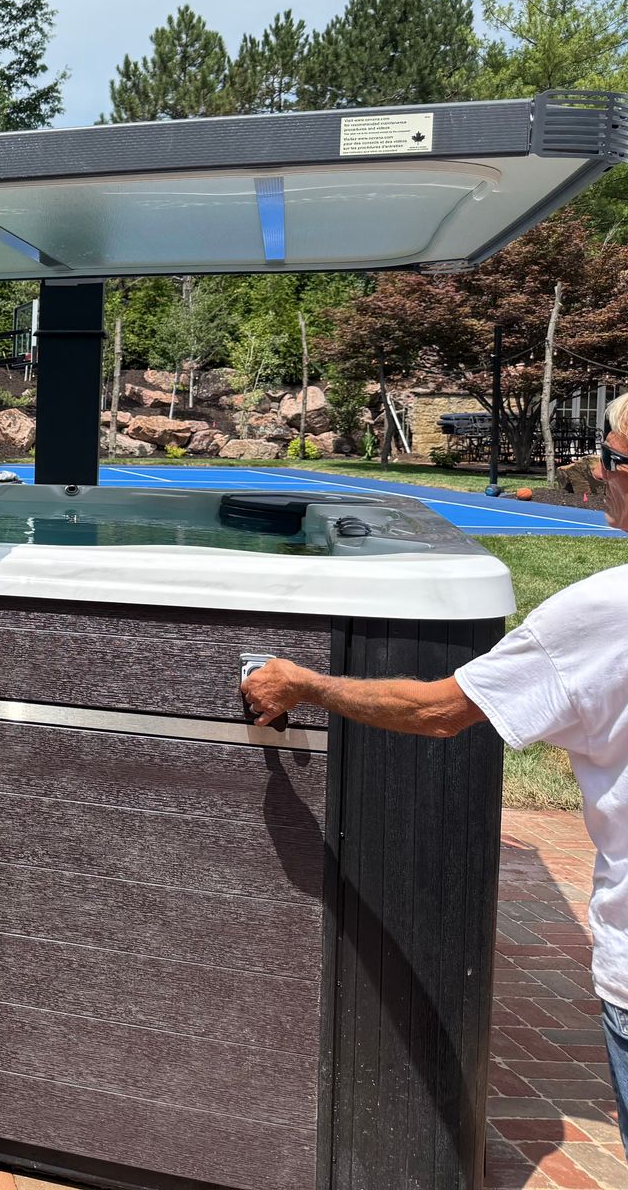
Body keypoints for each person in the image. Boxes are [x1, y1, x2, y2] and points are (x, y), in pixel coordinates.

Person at [244, 389, 628, 1147]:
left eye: (610, 457)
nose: (596, 474)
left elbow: (439, 711)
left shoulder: (605, 613)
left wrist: (305, 685)